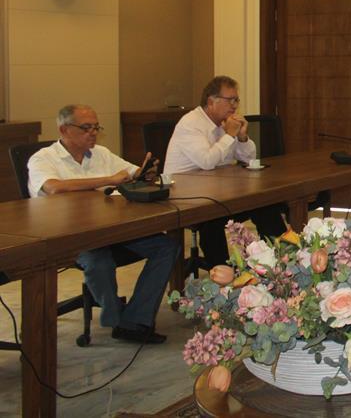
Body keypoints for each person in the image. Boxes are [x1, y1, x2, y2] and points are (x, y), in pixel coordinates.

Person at [28, 105, 179, 344]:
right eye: (86, 128)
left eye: (96, 127)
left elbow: (131, 172)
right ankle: (117, 318)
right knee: (98, 261)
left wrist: (145, 173)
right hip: (68, 237)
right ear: (64, 129)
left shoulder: (101, 153)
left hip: (111, 230)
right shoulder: (43, 158)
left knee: (166, 246)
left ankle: (134, 320)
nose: (93, 133)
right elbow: (53, 187)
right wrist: (108, 179)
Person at [164, 76, 287, 267]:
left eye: (236, 100)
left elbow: (249, 159)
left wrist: (242, 137)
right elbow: (206, 161)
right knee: (212, 219)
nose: (235, 105)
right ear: (211, 102)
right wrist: (229, 134)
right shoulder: (190, 124)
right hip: (186, 198)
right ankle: (224, 275)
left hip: (218, 192)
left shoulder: (224, 123)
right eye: (230, 100)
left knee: (264, 203)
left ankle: (280, 262)